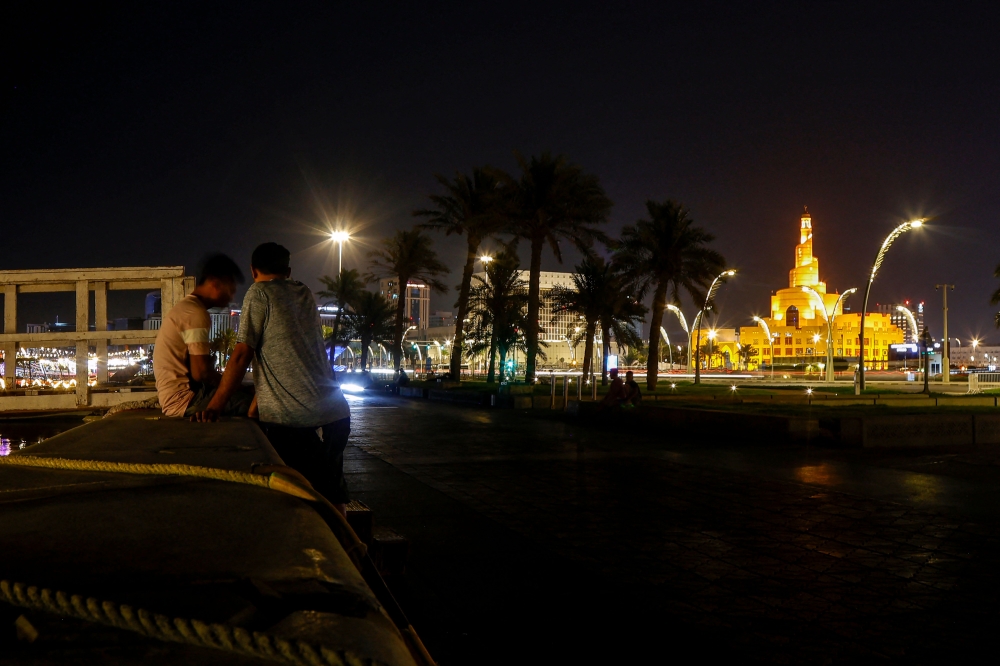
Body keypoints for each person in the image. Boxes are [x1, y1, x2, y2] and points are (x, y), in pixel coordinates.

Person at [194, 243, 351, 515]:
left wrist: (214, 406)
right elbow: (284, 360)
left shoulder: (259, 293)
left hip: (295, 421)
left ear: (253, 271)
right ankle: (349, 552)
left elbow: (243, 354)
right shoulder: (304, 293)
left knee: (297, 502)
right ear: (288, 271)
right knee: (331, 495)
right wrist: (256, 408)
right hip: (336, 415)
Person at [153, 254, 253, 418]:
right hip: (187, 400)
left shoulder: (187, 307)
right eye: (231, 289)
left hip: (178, 396)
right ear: (215, 283)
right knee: (261, 405)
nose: (231, 297)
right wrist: (239, 387)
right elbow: (202, 373)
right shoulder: (196, 313)